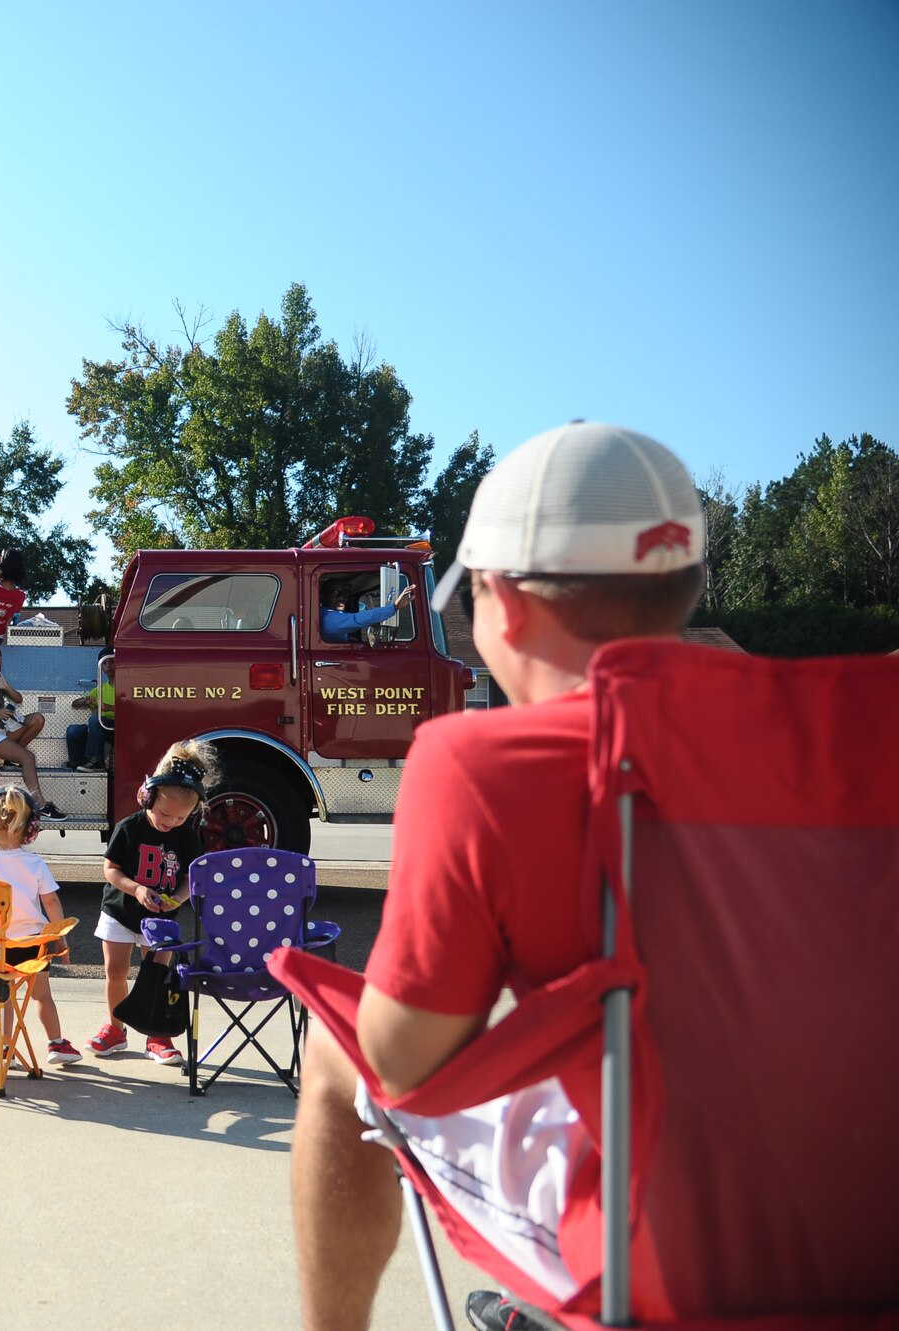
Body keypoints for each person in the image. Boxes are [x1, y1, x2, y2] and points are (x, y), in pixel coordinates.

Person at [288, 422, 708, 1331]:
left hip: (659, 1237)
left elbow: (407, 1061)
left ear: (502, 605)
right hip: (859, 1208)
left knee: (339, 1053)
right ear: (688, 586)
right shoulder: (853, 741)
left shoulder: (486, 763)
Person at [87, 739, 219, 1064]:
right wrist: (136, 889)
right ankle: (116, 1029)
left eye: (179, 817)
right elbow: (110, 870)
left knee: (157, 977)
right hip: (120, 910)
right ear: (148, 796)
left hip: (160, 919)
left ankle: (157, 1036)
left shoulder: (187, 835)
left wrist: (177, 898)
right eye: (163, 813)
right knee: (115, 971)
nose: (169, 822)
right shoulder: (129, 828)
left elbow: (191, 877)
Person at [0, 784, 81, 1067]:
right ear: (31, 829)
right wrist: (60, 937)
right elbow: (51, 903)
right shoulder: (35, 863)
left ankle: (4, 1048)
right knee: (42, 996)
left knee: (4, 998)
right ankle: (56, 1044)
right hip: (32, 945)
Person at [0, 642, 60, 819]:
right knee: (28, 757)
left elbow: (19, 698)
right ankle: (40, 805)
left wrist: (5, 686)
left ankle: (12, 758)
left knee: (37, 718)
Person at [65, 653, 116, 771]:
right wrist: (85, 701)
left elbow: (131, 709)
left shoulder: (126, 687)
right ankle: (77, 764)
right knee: (73, 730)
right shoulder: (101, 689)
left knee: (95, 719)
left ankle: (97, 761)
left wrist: (109, 708)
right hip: (100, 729)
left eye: (112, 661)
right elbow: (75, 703)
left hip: (117, 728)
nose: (108, 666)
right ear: (101, 668)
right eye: (104, 663)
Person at [319, 581, 413, 642]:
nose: (342, 598)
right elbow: (356, 620)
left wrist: (348, 639)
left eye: (345, 594)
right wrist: (394, 607)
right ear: (323, 597)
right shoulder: (328, 618)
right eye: (335, 593)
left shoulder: (328, 615)